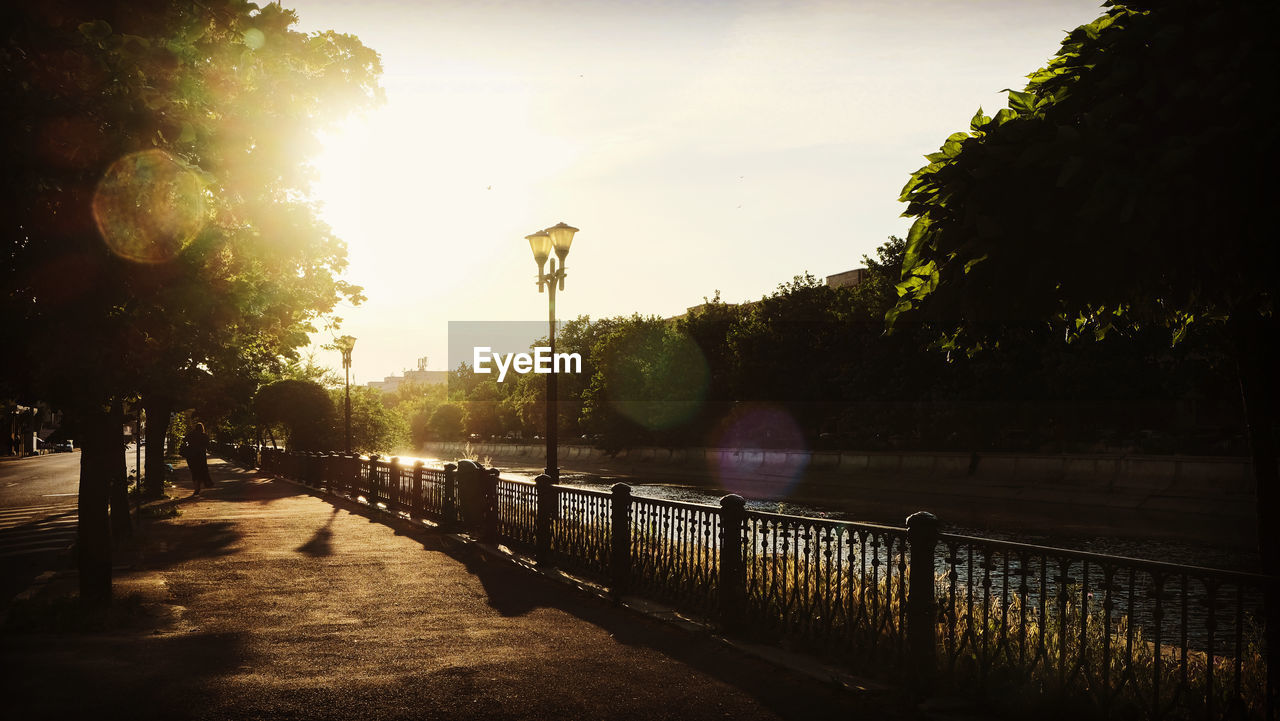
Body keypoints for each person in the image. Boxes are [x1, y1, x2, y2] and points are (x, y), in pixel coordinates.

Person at [180, 422, 212, 495]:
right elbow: (208, 445)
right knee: (201, 470)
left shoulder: (191, 434)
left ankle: (196, 487)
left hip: (191, 455)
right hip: (201, 456)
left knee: (194, 472)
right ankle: (200, 486)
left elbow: (184, 440)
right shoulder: (204, 436)